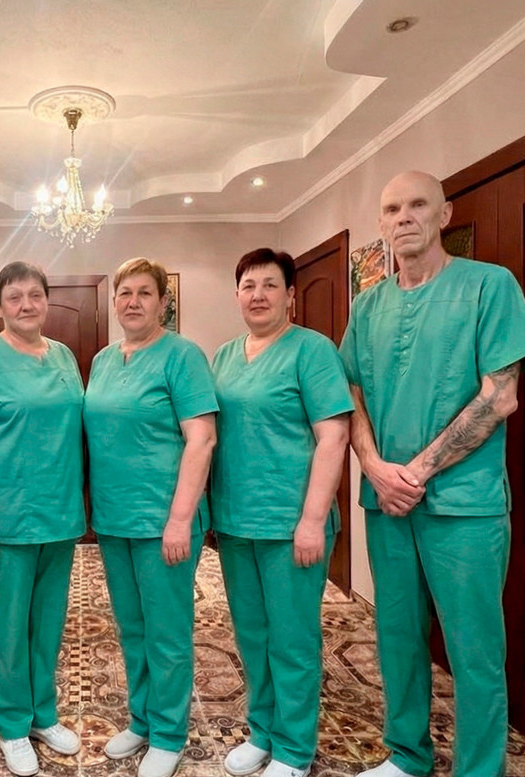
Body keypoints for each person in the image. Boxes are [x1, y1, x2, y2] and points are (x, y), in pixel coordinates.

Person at [340, 171, 525, 777]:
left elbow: (500, 397)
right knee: (397, 637)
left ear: (444, 214)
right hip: (385, 501)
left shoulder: (488, 286)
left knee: (474, 650)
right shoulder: (367, 306)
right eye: (391, 208)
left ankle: (479, 769)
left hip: (464, 506)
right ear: (381, 224)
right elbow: (350, 393)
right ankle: (407, 755)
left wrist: (415, 472)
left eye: (417, 205)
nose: (403, 217)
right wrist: (374, 467)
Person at [211, 248, 353, 777]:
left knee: (292, 639)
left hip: (293, 523)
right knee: (252, 635)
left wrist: (312, 520)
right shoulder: (224, 356)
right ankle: (262, 731)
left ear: (290, 295)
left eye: (270, 285)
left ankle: (293, 749)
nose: (258, 295)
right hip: (236, 520)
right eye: (248, 286)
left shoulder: (312, 351)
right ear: (237, 295)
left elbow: (333, 437)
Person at [0, 261, 85, 776]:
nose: (27, 305)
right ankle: (11, 724)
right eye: (14, 297)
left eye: (35, 295)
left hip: (59, 515)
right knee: (8, 628)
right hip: (6, 520)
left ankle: (42, 715)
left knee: (47, 625)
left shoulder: (64, 356)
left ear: (47, 300)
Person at [82, 257, 218, 777]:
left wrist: (180, 519)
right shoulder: (102, 360)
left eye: (144, 293)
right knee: (132, 627)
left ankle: (168, 733)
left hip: (165, 520)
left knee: (167, 632)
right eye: (125, 293)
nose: (133, 301)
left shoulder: (182, 356)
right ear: (114, 301)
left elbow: (202, 439)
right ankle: (141, 718)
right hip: (114, 519)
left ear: (164, 302)